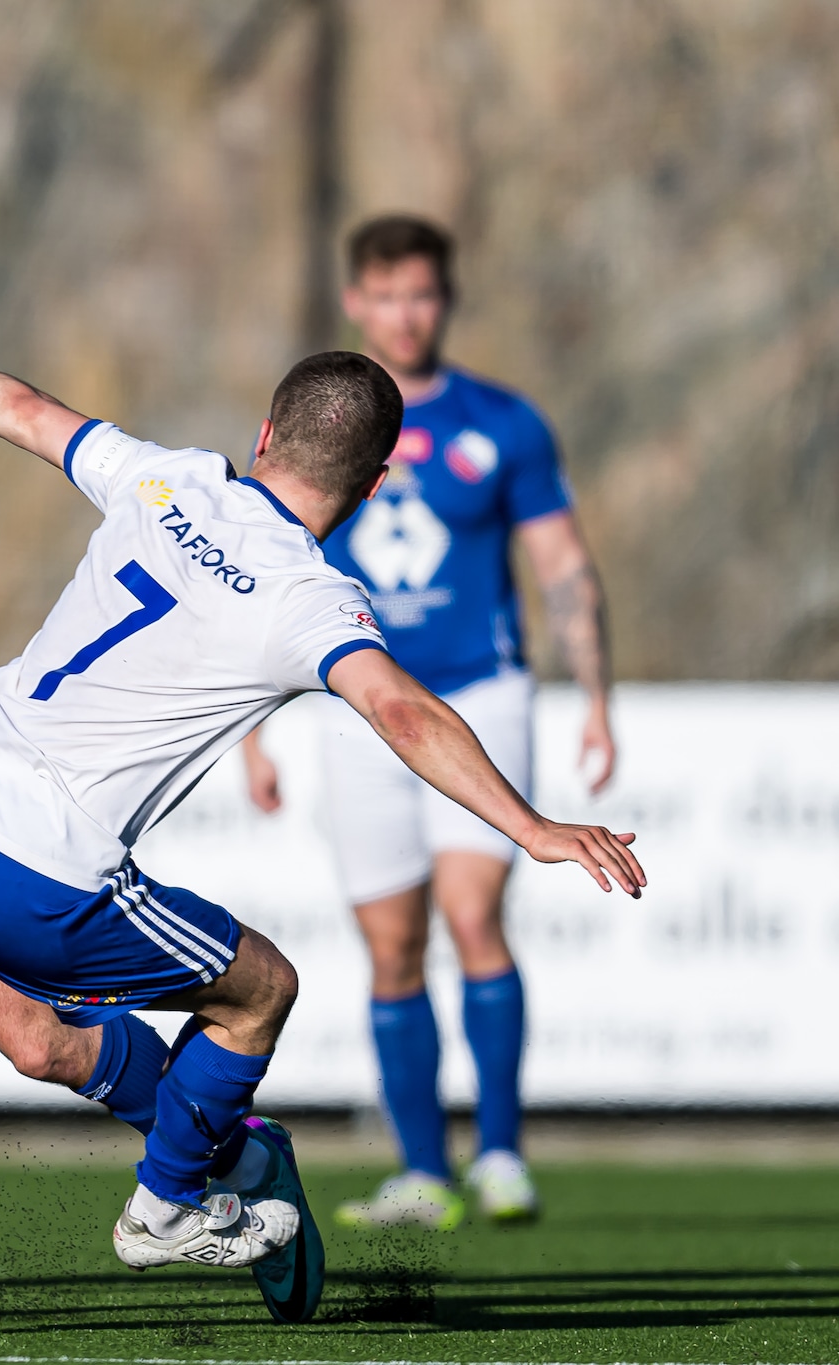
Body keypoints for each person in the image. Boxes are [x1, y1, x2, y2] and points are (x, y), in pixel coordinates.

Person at [0, 337, 646, 1327]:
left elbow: (26, 412)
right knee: (261, 988)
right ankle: (164, 1206)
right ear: (373, 480)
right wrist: (528, 825)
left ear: (264, 433)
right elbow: (403, 713)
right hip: (41, 869)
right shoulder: (307, 598)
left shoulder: (166, 479)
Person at [239, 215, 615, 1229]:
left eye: (423, 295)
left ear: (444, 301)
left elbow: (561, 567)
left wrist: (593, 698)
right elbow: (255, 565)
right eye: (386, 295)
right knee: (391, 945)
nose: (406, 314)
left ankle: (498, 1156)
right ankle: (421, 1171)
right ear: (356, 301)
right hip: (357, 702)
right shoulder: (329, 419)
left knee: (470, 914)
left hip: (475, 696)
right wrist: (251, 731)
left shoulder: (503, 423)